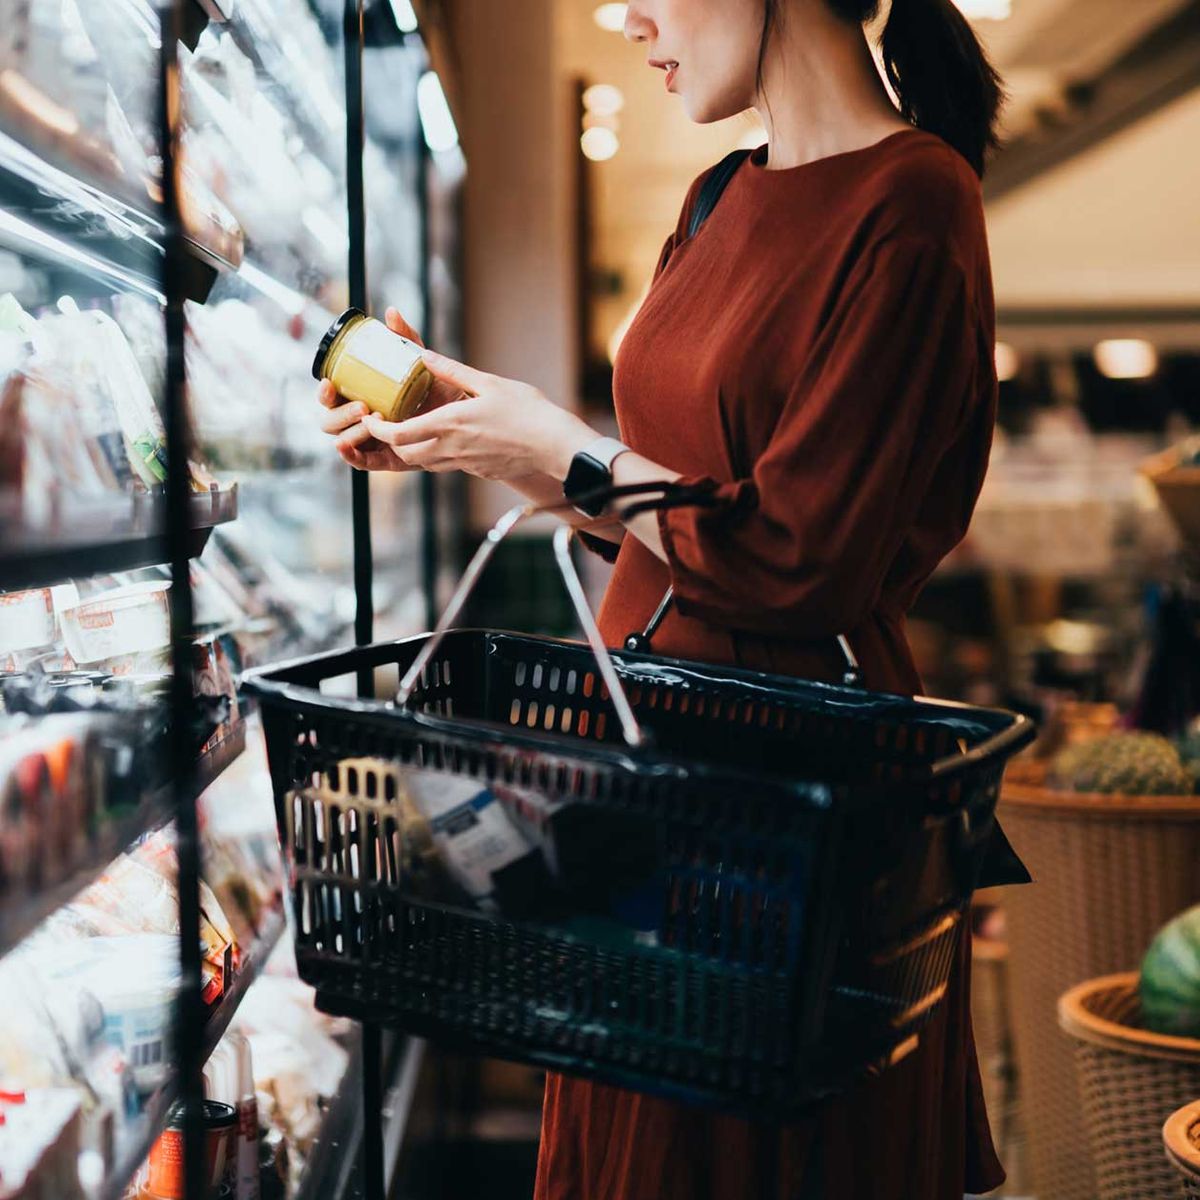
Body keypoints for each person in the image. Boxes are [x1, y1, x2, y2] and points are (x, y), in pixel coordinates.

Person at [317, 0, 1018, 1194]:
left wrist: (569, 446)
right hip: (649, 773)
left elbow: (801, 559)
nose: (630, 17)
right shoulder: (712, 199)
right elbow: (686, 517)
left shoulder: (913, 200)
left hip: (784, 802)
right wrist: (494, 439)